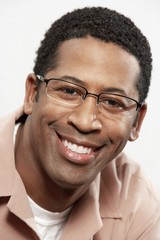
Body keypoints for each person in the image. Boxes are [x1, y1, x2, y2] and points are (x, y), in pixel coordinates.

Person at [0, 6, 160, 240]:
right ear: (32, 94)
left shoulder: (137, 205)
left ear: (137, 121)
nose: (85, 122)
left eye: (113, 103)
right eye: (68, 90)